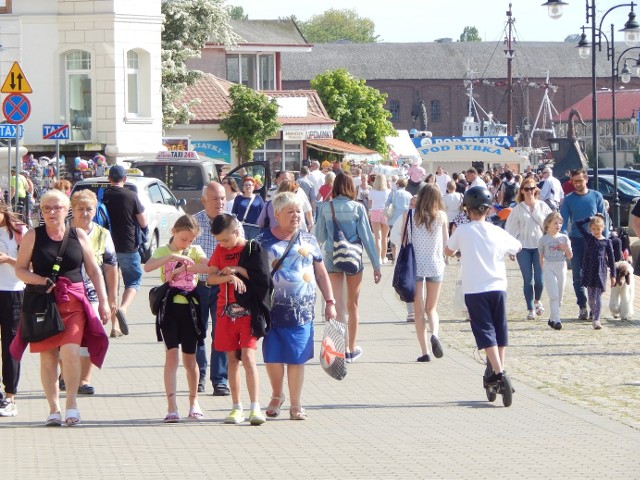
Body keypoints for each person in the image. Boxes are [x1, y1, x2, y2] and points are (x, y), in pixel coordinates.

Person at [13, 189, 110, 426]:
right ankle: (53, 409)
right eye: (47, 208)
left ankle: (72, 405)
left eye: (57, 207)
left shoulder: (77, 234)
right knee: (47, 357)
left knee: (70, 353)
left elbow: (94, 270)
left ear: (67, 210)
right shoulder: (33, 235)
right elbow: (20, 269)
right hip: (44, 304)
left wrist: (105, 301)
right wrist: (40, 281)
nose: (52, 212)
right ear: (42, 212)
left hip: (74, 301)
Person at [257, 192, 336, 420]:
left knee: (296, 357)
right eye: (290, 211)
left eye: (299, 211)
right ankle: (276, 395)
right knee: (272, 357)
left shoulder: (309, 240)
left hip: (301, 311)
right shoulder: (263, 241)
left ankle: (296, 403)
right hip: (272, 310)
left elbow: (321, 273)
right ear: (277, 213)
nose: (296, 216)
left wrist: (330, 302)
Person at [445, 186, 522, 395]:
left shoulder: (463, 231)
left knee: (485, 329)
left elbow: (448, 250)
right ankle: (499, 367)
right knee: (499, 328)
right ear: (488, 210)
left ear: (467, 210)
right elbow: (517, 246)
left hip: (474, 288)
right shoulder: (497, 231)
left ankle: (499, 371)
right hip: (498, 285)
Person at [144, 215, 209, 422]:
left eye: (190, 240)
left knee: (190, 359)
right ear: (174, 232)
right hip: (169, 308)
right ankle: (172, 406)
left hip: (191, 309)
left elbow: (209, 267)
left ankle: (194, 401)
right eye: (183, 239)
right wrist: (173, 258)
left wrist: (186, 268)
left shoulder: (195, 251)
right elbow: (148, 266)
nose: (187, 244)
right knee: (171, 356)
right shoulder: (165, 250)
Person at [206, 214, 267, 425]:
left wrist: (238, 270)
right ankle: (236, 406)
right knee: (232, 360)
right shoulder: (220, 251)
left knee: (248, 357)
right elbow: (211, 278)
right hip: (224, 312)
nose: (222, 244)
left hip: (248, 312)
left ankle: (255, 407)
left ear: (236, 231)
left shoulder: (252, 248)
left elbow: (262, 278)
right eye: (219, 241)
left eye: (225, 239)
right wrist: (228, 278)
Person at [316, 173, 382, 362]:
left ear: (334, 187)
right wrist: (376, 266)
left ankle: (338, 349)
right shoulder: (358, 208)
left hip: (332, 259)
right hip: (353, 259)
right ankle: (350, 350)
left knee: (336, 304)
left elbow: (320, 235)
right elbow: (367, 238)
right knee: (353, 306)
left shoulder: (326, 208)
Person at [65, 190, 118, 394]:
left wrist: (111, 297)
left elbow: (110, 265)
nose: (85, 213)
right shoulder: (63, 231)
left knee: (90, 333)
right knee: (67, 336)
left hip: (93, 291)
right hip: (67, 289)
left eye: (89, 209)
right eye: (80, 209)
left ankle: (84, 380)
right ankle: (66, 374)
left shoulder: (102, 234)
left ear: (95, 210)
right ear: (73, 210)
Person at [193, 182, 234, 396]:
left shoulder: (232, 222)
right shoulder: (194, 222)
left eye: (223, 198)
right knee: (197, 333)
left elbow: (242, 250)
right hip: (198, 286)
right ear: (204, 200)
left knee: (221, 334)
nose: (220, 203)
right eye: (216, 199)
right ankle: (199, 375)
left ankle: (220, 380)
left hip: (223, 287)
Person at [103, 164, 147, 336]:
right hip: (128, 246)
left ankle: (114, 327)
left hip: (106, 247)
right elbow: (143, 222)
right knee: (133, 281)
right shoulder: (131, 195)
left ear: (109, 179)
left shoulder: (103, 195)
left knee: (113, 287)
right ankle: (123, 308)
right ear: (125, 179)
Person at [407, 184, 448, 362]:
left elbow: (404, 238)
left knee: (418, 311)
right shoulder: (441, 217)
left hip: (416, 265)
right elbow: (446, 243)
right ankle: (435, 335)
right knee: (432, 308)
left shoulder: (411, 216)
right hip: (435, 264)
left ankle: (425, 352)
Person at [560, 168, 607, 320]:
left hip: (594, 241)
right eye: (575, 181)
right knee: (577, 276)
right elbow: (563, 222)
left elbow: (603, 220)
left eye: (580, 181)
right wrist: (565, 239)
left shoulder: (596, 196)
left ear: (586, 180)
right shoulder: (568, 199)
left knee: (594, 275)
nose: (578, 184)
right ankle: (582, 305)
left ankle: (594, 306)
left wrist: (605, 242)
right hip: (577, 240)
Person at [505, 176, 552, 320]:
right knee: (528, 280)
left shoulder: (543, 206)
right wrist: (511, 249)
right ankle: (530, 308)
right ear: (522, 191)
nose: (529, 191)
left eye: (532, 189)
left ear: (536, 190)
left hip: (539, 246)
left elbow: (553, 223)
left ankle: (537, 300)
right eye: (527, 189)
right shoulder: (518, 209)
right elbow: (510, 229)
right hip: (523, 247)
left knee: (539, 280)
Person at [0, 202, 27, 417]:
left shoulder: (19, 231)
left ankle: (10, 396)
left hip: (14, 292)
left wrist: (8, 259)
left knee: (10, 345)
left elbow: (31, 265)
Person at [575, 215, 616, 330]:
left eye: (598, 229)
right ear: (590, 229)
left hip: (600, 271)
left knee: (598, 296)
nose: (596, 231)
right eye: (593, 229)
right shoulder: (589, 238)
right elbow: (578, 224)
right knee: (591, 298)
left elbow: (612, 260)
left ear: (602, 228)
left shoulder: (607, 242)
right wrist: (590, 218)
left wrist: (613, 275)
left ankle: (596, 319)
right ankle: (593, 311)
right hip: (589, 270)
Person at [539, 212, 573, 330]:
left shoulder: (564, 237)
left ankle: (552, 318)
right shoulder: (543, 239)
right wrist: (543, 269)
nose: (558, 225)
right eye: (555, 223)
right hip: (549, 266)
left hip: (561, 265)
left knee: (559, 296)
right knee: (553, 295)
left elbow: (569, 256)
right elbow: (541, 256)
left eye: (560, 223)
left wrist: (565, 249)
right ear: (548, 224)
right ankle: (557, 320)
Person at [385, 178, 413, 262]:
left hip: (393, 218)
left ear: (397, 184)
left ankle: (394, 256)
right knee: (405, 236)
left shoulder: (393, 193)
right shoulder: (409, 194)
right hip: (405, 218)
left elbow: (387, 204)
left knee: (393, 236)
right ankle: (404, 254)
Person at [232, 176, 265, 241]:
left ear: (253, 187)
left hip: (255, 228)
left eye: (250, 185)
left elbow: (263, 214)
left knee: (253, 247)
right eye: (246, 185)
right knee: (242, 247)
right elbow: (234, 213)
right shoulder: (238, 198)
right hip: (241, 226)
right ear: (243, 187)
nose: (248, 187)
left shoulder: (258, 199)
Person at [368, 174, 391, 264]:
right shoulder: (388, 191)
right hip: (385, 213)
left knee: (377, 237)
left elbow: (370, 204)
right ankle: (383, 257)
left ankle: (378, 258)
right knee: (385, 238)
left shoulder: (372, 191)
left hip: (375, 213)